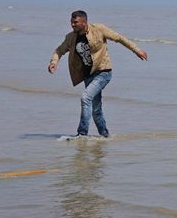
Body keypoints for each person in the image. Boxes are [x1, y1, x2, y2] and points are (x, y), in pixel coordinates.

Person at [48, 10, 148, 138]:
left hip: (103, 72)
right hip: (88, 75)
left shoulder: (99, 29)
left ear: (84, 22)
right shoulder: (71, 37)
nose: (72, 25)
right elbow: (59, 50)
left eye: (75, 22)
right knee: (96, 109)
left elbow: (120, 38)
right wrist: (54, 62)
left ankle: (82, 133)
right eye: (71, 22)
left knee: (85, 97)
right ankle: (105, 136)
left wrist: (137, 50)